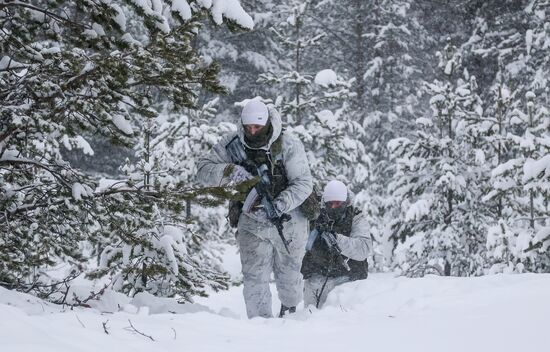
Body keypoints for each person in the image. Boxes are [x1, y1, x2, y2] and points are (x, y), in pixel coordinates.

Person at [196, 99, 313, 318]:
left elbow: (304, 183)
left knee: (290, 278)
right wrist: (231, 172)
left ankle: (290, 316)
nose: (252, 131)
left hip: (290, 221)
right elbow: (203, 170)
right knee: (254, 280)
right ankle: (260, 326)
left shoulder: (288, 144)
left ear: (267, 123)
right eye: (248, 127)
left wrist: (280, 204)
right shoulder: (232, 143)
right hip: (251, 220)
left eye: (257, 127)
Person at [301, 180, 371, 308]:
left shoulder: (356, 217)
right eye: (330, 204)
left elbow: (363, 249)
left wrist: (336, 239)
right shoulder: (315, 216)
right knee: (310, 322)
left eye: (338, 203)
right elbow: (301, 245)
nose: (333, 207)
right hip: (316, 279)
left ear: (345, 202)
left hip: (348, 280)